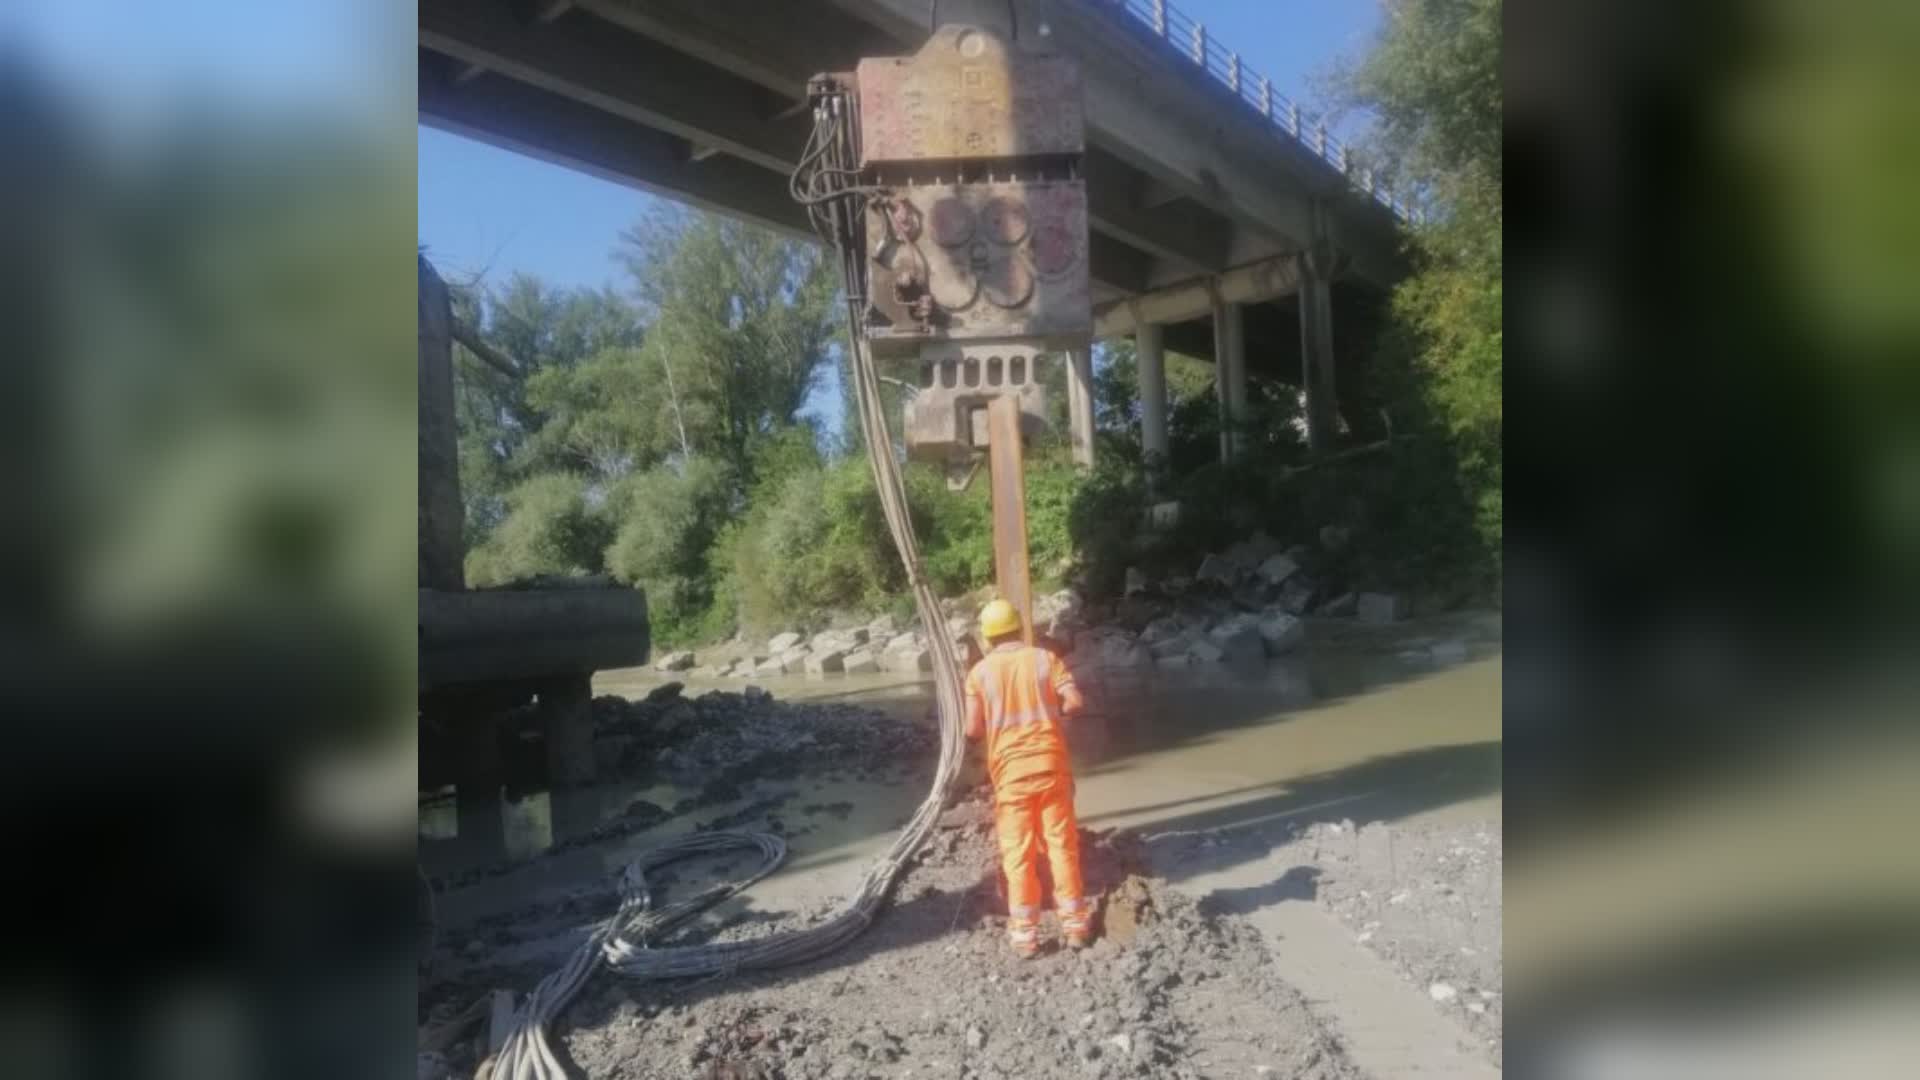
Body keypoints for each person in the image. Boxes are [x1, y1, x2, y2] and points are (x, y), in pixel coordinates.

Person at [964, 598, 1093, 957]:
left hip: (1011, 777)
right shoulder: (1044, 659)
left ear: (987, 637)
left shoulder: (979, 674)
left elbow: (972, 729)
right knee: (1062, 846)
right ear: (1020, 627)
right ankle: (1076, 926)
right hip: (1052, 768)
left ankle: (1026, 937)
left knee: (1018, 855)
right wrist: (1058, 710)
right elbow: (1075, 702)